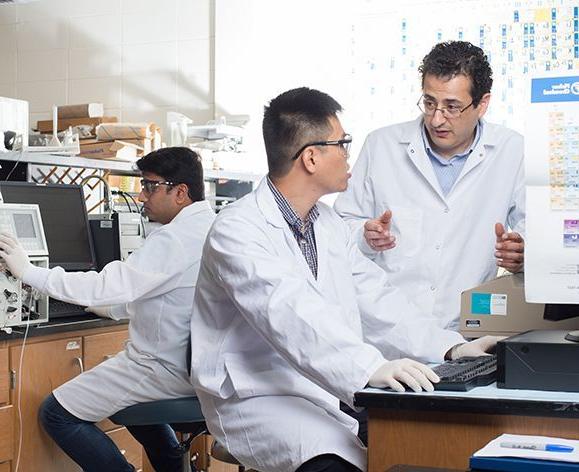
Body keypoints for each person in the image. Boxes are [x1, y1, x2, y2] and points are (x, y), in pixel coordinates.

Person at [189, 87, 499, 472]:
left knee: (421, 446)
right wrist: (370, 367)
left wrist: (450, 347)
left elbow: (378, 300)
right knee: (338, 463)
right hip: (259, 397)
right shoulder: (238, 230)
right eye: (343, 143)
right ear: (312, 157)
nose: (349, 155)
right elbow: (288, 313)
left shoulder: (328, 223)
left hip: (324, 387)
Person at [0, 147, 215, 472]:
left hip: (162, 367)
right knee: (131, 401)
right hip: (192, 366)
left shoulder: (175, 238)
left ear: (181, 192)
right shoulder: (209, 226)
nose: (142, 196)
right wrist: (110, 307)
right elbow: (167, 294)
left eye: (150, 186)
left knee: (55, 413)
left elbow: (108, 283)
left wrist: (29, 272)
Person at [334, 40, 525, 333]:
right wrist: (365, 236)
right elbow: (341, 224)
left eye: (452, 107)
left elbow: (537, 233)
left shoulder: (512, 150)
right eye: (429, 103)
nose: (437, 119)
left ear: (482, 104)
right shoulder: (381, 145)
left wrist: (523, 252)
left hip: (467, 329)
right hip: (387, 330)